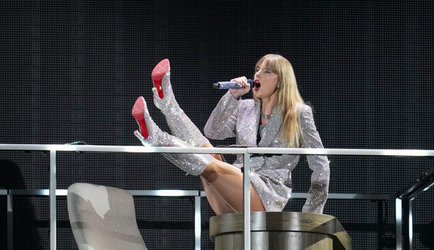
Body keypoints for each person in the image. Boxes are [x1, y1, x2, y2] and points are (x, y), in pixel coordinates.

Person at [131, 54, 330, 215]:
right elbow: (212, 131)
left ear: (281, 80)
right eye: (257, 69)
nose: (258, 74)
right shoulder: (245, 107)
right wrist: (232, 96)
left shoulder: (298, 113)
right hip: (235, 184)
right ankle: (168, 106)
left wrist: (312, 211)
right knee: (210, 152)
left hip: (265, 193)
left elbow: (320, 163)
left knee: (213, 165)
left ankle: (159, 139)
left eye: (266, 71)